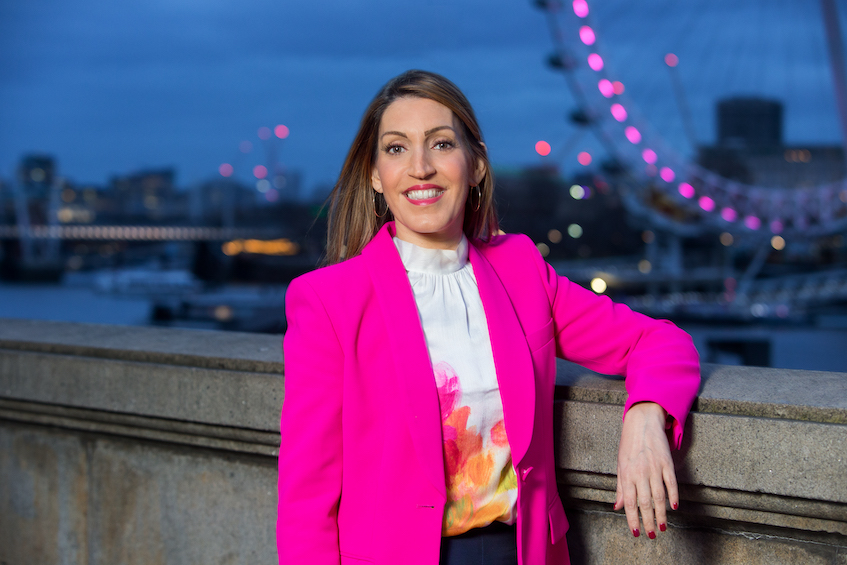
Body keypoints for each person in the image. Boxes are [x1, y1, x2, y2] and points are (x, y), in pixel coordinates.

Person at [277, 69, 700, 565]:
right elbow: (308, 496)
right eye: (396, 148)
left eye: (440, 144)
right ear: (374, 175)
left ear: (475, 164)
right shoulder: (329, 300)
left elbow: (658, 341)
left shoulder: (520, 271)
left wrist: (647, 416)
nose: (420, 167)